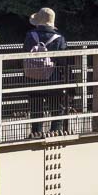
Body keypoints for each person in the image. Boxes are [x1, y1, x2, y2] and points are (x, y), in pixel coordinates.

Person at [22, 7, 70, 137]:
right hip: (53, 79)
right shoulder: (59, 38)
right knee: (57, 108)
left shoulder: (30, 35)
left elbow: (24, 55)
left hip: (32, 78)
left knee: (36, 108)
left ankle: (36, 133)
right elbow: (64, 61)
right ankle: (55, 132)